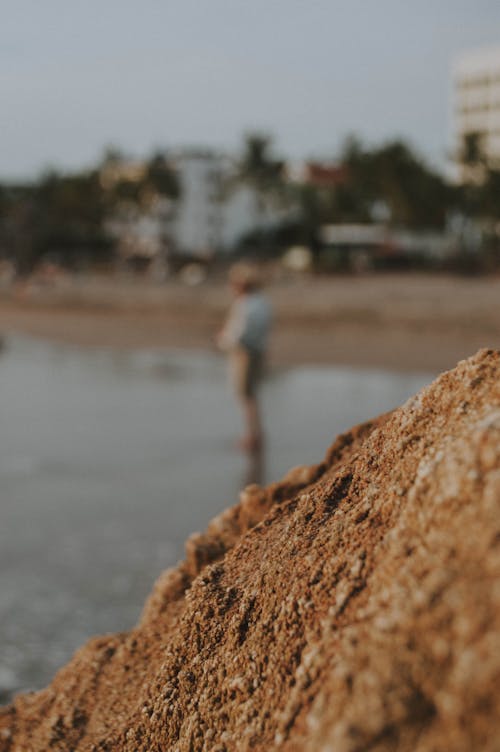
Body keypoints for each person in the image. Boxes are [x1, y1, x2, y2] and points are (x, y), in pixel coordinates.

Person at [217, 262, 272, 453]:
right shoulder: (263, 302)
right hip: (259, 351)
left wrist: (223, 340)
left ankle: (251, 436)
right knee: (252, 396)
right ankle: (257, 435)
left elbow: (237, 334)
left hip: (244, 353)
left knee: (245, 397)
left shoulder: (245, 304)